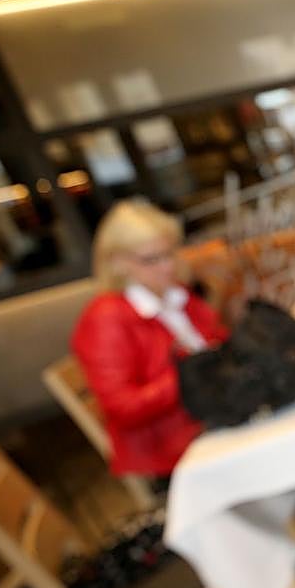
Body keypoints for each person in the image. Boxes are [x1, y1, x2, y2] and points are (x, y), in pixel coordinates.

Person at [71, 200, 229, 478]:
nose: (167, 266)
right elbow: (123, 407)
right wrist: (190, 373)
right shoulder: (106, 318)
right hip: (170, 451)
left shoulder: (174, 293)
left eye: (170, 253)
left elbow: (217, 338)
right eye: (151, 259)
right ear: (117, 263)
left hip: (209, 423)